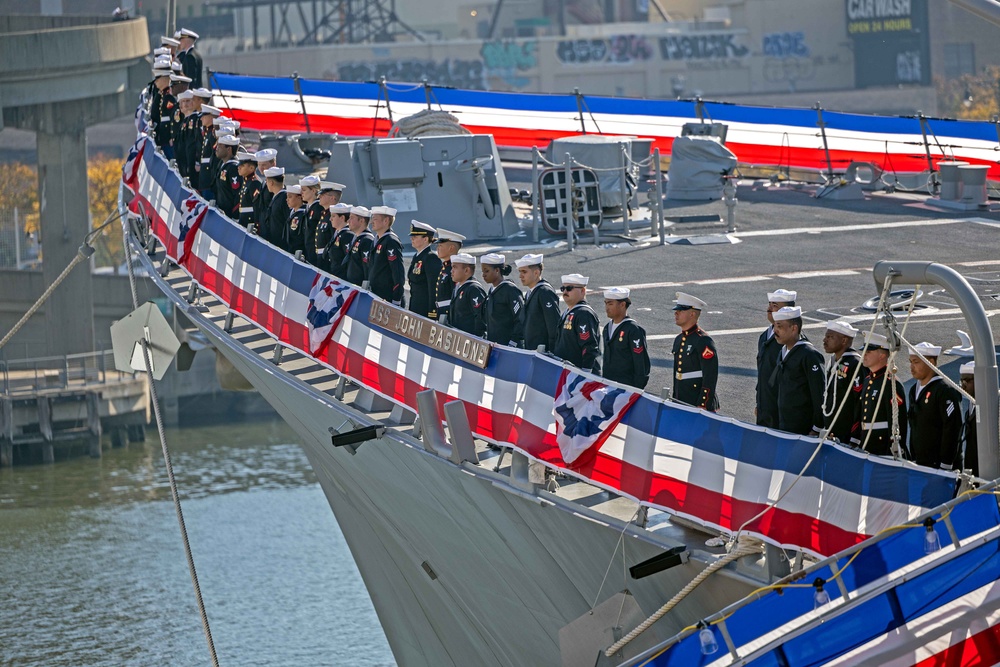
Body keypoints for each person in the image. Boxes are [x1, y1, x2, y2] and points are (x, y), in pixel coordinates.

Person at [907, 342, 963, 470]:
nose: (911, 367)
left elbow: (953, 429)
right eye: (910, 362)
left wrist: (946, 464)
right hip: (921, 462)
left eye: (916, 362)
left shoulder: (945, 391)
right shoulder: (913, 390)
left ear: (931, 362)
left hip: (940, 465)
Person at [771, 306, 825, 436]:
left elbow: (819, 394)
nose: (775, 331)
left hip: (803, 429)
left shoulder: (809, 355)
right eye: (774, 326)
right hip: (784, 424)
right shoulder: (783, 352)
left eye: (779, 326)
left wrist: (817, 427)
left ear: (794, 328)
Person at [851, 332, 907, 456]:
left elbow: (898, 422)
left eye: (868, 352)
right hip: (867, 444)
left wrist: (893, 451)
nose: (863, 355)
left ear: (882, 355)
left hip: (882, 448)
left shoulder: (890, 383)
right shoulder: (868, 380)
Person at [671, 292, 718, 411]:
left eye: (681, 310)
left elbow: (710, 377)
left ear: (692, 314)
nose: (676, 313)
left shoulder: (703, 341)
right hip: (681, 401)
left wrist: (703, 404)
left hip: (698, 404)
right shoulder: (679, 339)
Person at [756, 289, 796, 428]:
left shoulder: (792, 341)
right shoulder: (764, 337)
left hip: (781, 411)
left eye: (775, 306)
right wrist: (759, 403)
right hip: (765, 406)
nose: (769, 309)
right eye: (769, 304)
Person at [821, 320, 865, 443]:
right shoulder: (834, 361)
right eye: (826, 336)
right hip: (831, 430)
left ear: (844, 341)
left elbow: (859, 403)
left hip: (847, 434)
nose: (824, 340)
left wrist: (855, 437)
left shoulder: (855, 364)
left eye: (830, 337)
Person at [602, 287, 650, 390]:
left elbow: (640, 363)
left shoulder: (633, 330)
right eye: (606, 303)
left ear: (622, 304)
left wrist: (637, 388)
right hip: (608, 384)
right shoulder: (607, 328)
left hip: (626, 387)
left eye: (610, 304)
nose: (606, 308)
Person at [554, 274, 601, 374]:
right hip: (567, 372)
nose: (565, 292)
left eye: (569, 288)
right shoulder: (569, 312)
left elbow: (589, 346)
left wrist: (585, 373)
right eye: (563, 288)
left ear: (583, 291)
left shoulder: (584, 313)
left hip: (578, 374)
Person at [517, 253, 561, 353]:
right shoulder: (530, 293)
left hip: (544, 353)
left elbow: (553, 325)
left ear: (536, 273)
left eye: (524, 272)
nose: (520, 276)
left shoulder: (545, 292)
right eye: (520, 272)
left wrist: (552, 352)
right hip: (532, 351)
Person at [480, 253, 524, 347]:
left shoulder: (510, 290)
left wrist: (513, 342)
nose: (483, 275)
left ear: (497, 270)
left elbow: (521, 318)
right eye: (483, 271)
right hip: (495, 346)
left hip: (509, 348)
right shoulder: (492, 291)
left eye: (486, 271)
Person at [367, 206, 405, 305]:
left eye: (375, 219)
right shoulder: (377, 240)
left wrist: (396, 299)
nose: (371, 222)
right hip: (376, 295)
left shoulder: (391, 241)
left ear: (386, 221)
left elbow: (397, 272)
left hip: (387, 297)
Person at [406, 221, 441, 318]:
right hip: (416, 308)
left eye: (415, 237)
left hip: (425, 310)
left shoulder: (431, 258)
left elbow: (434, 287)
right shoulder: (417, 257)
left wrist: (432, 312)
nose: (411, 239)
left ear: (425, 239)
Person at [448, 253, 487, 336]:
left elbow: (480, 316)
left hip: (469, 340)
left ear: (466, 270)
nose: (451, 271)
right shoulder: (458, 287)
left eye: (454, 267)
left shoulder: (473, 289)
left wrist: (477, 337)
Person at [433, 229, 465, 322]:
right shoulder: (445, 267)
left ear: (451, 248)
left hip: (449, 314)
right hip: (442, 312)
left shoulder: (454, 269)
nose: (437, 249)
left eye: (440, 245)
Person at [343, 206, 374, 285]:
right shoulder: (356, 238)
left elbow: (367, 267)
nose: (348, 221)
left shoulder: (367, 240)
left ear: (361, 221)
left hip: (359, 286)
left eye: (352, 218)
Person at [213, 135, 242, 219]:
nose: (216, 148)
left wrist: (234, 216)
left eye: (220, 146)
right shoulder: (223, 165)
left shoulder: (233, 168)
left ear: (228, 149)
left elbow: (237, 194)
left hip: (229, 215)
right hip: (221, 212)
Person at [958, 361, 978, 476]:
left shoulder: (993, 406)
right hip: (972, 471)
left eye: (966, 381)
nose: (963, 386)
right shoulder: (971, 407)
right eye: (961, 381)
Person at [300, 176, 325, 266]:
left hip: (315, 254)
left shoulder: (318, 208)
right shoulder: (308, 208)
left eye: (304, 190)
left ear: (314, 191)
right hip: (308, 252)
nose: (301, 192)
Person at [324, 203, 353, 278]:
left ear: (342, 218)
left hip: (341, 278)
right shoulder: (337, 234)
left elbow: (347, 260)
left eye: (333, 216)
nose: (330, 219)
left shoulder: (347, 235)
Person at [261, 167, 288, 246]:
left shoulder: (283, 198)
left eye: (267, 181)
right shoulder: (276, 197)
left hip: (281, 243)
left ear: (271, 183)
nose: (266, 184)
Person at [236, 153, 262, 229]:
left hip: (250, 222)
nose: (239, 167)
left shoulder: (254, 183)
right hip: (243, 220)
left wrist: (256, 225)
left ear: (251, 168)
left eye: (242, 166)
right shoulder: (246, 181)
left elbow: (257, 206)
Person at [282, 185, 307, 257]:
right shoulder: (292, 213)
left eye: (290, 197)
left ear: (299, 197)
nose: (287, 200)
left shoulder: (302, 214)